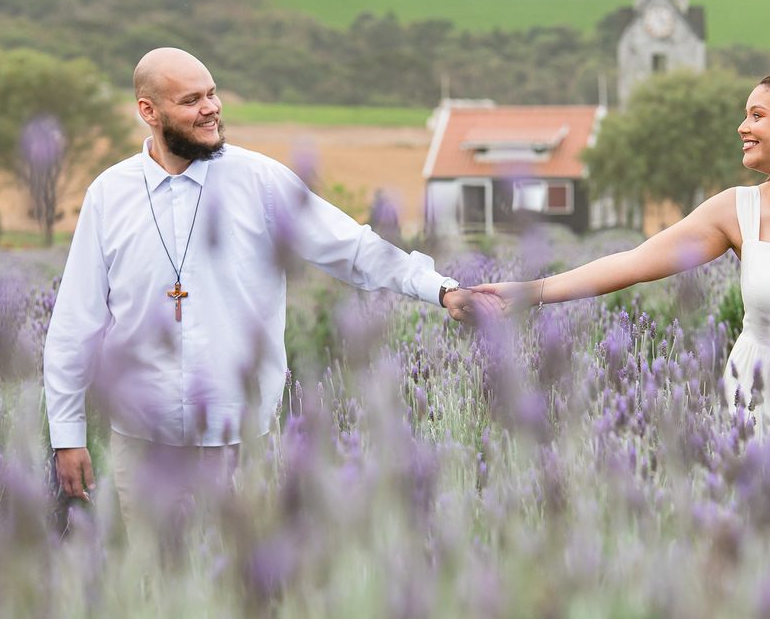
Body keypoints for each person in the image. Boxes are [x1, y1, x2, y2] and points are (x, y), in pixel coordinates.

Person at [45, 47, 498, 527]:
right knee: (155, 587)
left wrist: (443, 289)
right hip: (141, 442)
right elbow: (77, 321)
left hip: (240, 437)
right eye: (192, 99)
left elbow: (355, 250)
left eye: (213, 93)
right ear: (148, 111)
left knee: (246, 586)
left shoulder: (258, 181)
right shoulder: (109, 195)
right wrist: (67, 434)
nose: (211, 108)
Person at [476, 70, 770, 510]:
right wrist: (531, 291)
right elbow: (633, 263)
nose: (742, 127)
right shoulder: (735, 210)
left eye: (757, 115)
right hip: (758, 398)